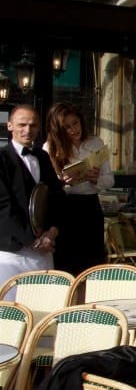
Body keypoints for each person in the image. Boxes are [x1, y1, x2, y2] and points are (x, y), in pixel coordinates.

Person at [43, 102, 113, 275]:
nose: (74, 129)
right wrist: (62, 182)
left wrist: (97, 179)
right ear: (58, 130)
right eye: (67, 127)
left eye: (75, 123)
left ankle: (90, 301)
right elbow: (46, 187)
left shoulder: (95, 143)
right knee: (66, 262)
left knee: (92, 263)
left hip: (90, 206)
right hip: (66, 207)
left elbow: (110, 179)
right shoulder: (49, 148)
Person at [0, 105, 64, 294]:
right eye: (22, 125)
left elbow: (57, 197)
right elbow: (4, 206)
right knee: (10, 312)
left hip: (44, 249)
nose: (28, 130)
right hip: (11, 252)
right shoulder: (1, 159)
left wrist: (52, 232)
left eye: (33, 125)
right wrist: (33, 241)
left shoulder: (43, 157)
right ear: (9, 125)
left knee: (44, 306)